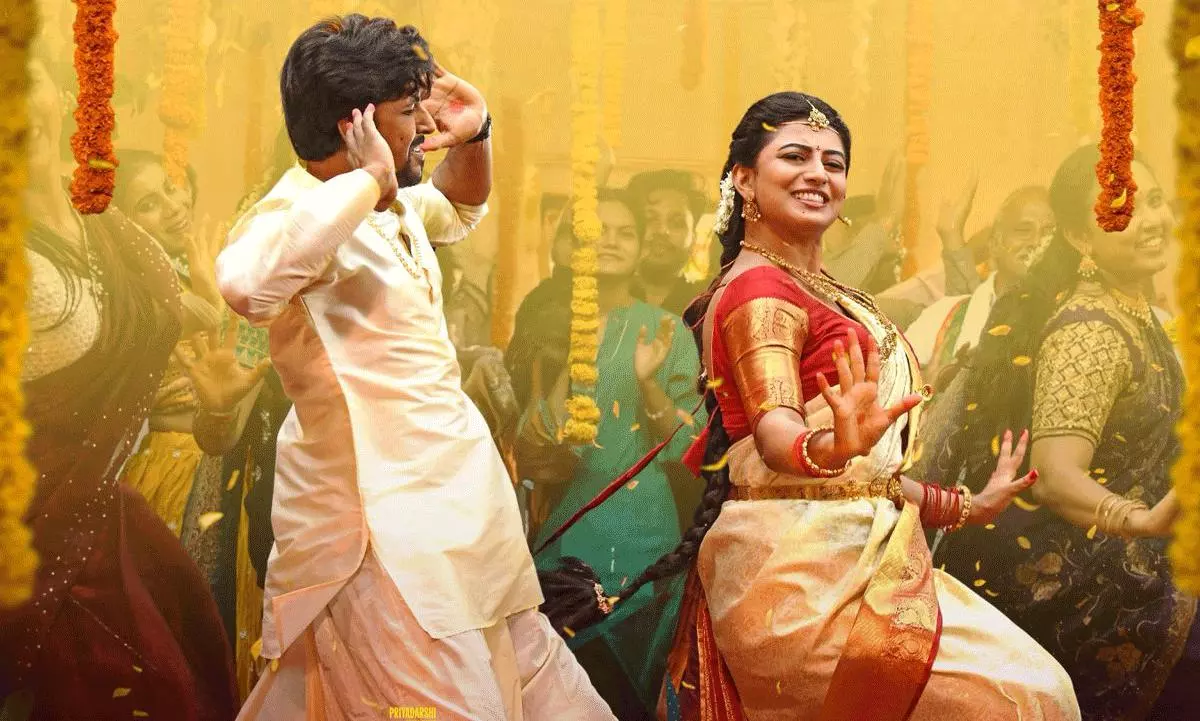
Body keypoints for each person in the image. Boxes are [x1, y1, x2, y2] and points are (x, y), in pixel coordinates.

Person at [538, 92, 1080, 721]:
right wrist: (826, 446)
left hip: (843, 557)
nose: (818, 173)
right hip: (803, 579)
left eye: (834, 162)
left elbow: (858, 478)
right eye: (794, 156)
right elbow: (779, 439)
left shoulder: (816, 286)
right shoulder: (759, 290)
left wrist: (963, 505)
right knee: (1024, 698)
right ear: (744, 179)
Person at [216, 16, 613, 720]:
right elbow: (246, 286)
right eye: (410, 112)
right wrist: (371, 177)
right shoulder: (294, 211)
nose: (428, 128)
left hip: (457, 513)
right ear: (357, 124)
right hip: (377, 536)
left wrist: (477, 132)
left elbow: (459, 207)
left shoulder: (387, 205)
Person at [0, 56, 237, 721]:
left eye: (21, 81)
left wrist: (218, 410)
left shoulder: (113, 230)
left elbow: (182, 321)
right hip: (34, 544)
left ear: (63, 95)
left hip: (110, 522)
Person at [934, 145, 1196, 721]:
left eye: (1154, 200)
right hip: (1102, 597)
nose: (1151, 220)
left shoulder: (1133, 311)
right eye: (1122, 209)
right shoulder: (1091, 329)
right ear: (1080, 238)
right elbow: (1055, 474)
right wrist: (1139, 520)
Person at [510, 190, 703, 720]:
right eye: (597, 233)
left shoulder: (665, 328)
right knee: (559, 682)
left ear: (641, 247)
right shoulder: (549, 327)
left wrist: (648, 383)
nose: (611, 243)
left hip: (644, 530)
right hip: (567, 523)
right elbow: (533, 442)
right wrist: (561, 365)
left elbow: (688, 444)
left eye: (625, 233)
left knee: (634, 691)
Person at [905, 185, 1055, 385]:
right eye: (1023, 230)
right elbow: (889, 387)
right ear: (994, 243)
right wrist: (925, 389)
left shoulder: (1066, 318)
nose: (1036, 241)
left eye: (1048, 233)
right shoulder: (945, 316)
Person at [627, 170, 711, 317]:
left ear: (693, 239)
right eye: (650, 219)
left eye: (677, 223)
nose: (662, 231)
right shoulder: (602, 297)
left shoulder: (709, 306)